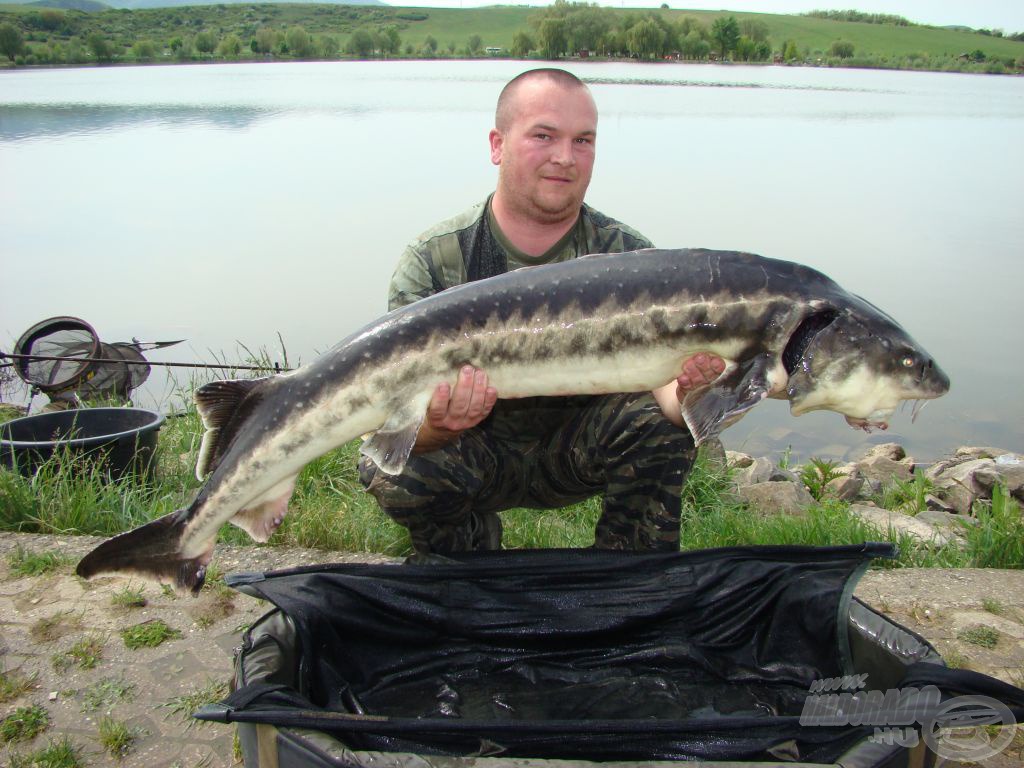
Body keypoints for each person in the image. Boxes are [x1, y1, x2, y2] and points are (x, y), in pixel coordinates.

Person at [359, 68, 724, 557]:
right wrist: (438, 427)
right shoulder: (435, 260)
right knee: (394, 466)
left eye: (583, 141)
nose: (564, 158)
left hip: (577, 451)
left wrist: (694, 393)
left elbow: (667, 400)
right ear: (497, 144)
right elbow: (393, 419)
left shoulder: (631, 262)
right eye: (544, 136)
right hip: (475, 454)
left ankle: (631, 577)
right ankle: (457, 562)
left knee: (663, 429)